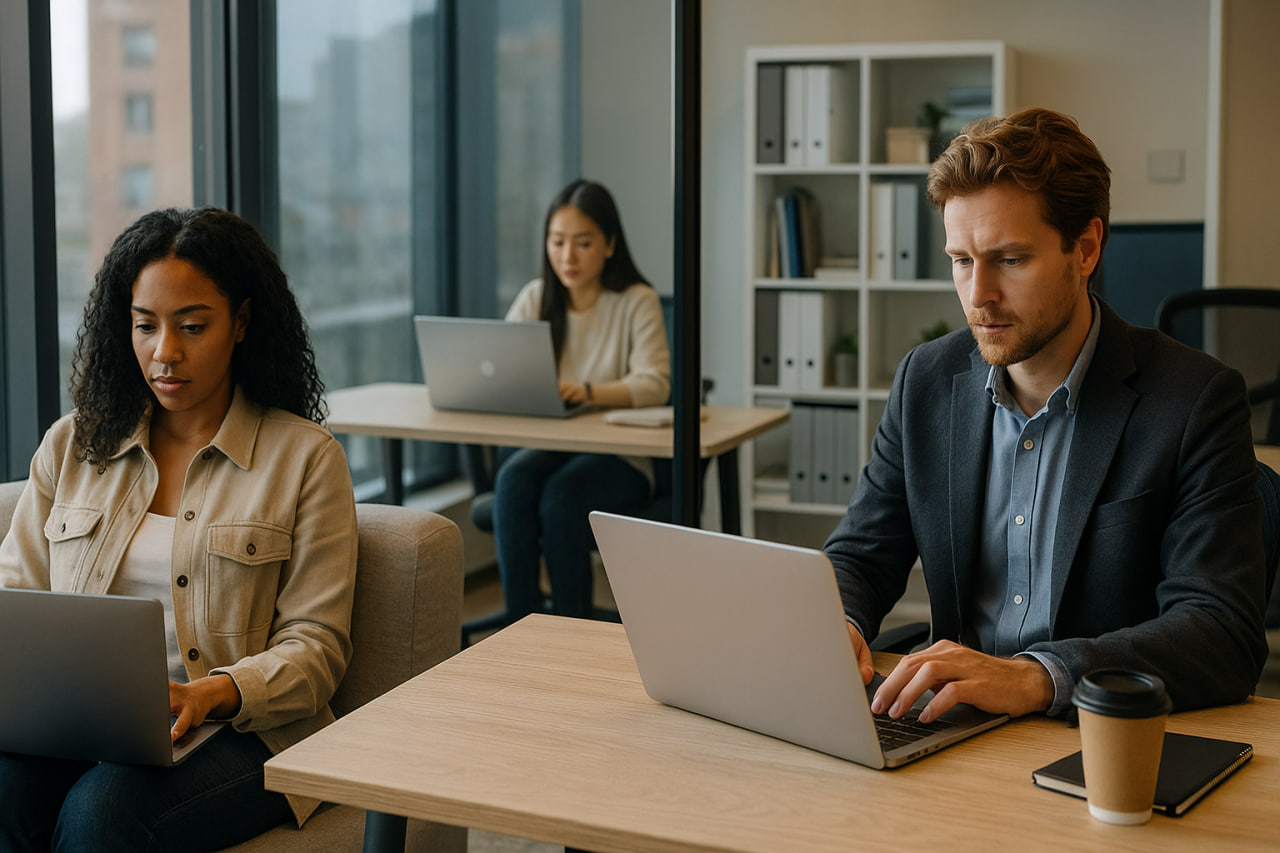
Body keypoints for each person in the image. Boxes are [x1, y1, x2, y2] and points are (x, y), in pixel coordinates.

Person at [824, 107, 1268, 726]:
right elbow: (861, 556)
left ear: (1085, 249)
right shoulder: (925, 381)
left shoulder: (1195, 400)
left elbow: (1222, 632)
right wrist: (838, 624)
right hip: (952, 731)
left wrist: (1035, 677)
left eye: (1009, 260)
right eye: (960, 259)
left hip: (1099, 737)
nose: (978, 295)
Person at [0, 207, 358, 850]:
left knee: (100, 812)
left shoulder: (305, 459)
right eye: (145, 326)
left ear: (241, 322)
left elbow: (317, 648)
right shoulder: (73, 445)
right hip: (81, 724)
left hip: (242, 735)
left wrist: (211, 694)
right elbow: (14, 596)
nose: (165, 352)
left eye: (192, 326)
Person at [492, 179, 670, 620]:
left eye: (582, 243)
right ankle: (521, 626)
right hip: (554, 445)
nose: (567, 256)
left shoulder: (635, 301)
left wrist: (586, 393)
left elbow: (656, 383)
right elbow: (498, 362)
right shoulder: (537, 297)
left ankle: (569, 628)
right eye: (557, 242)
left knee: (561, 498)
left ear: (609, 245)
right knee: (512, 484)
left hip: (623, 456)